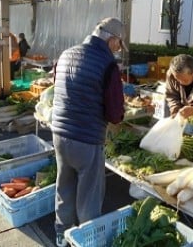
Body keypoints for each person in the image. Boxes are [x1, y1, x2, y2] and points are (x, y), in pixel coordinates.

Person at [51, 17, 126, 247]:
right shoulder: (107, 64)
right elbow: (115, 113)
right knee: (89, 196)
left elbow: (59, 88)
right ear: (111, 40)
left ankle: (61, 234)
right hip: (87, 139)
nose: (119, 49)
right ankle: (86, 239)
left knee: (64, 184)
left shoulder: (67, 53)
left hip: (59, 134)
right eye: (119, 44)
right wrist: (120, 117)